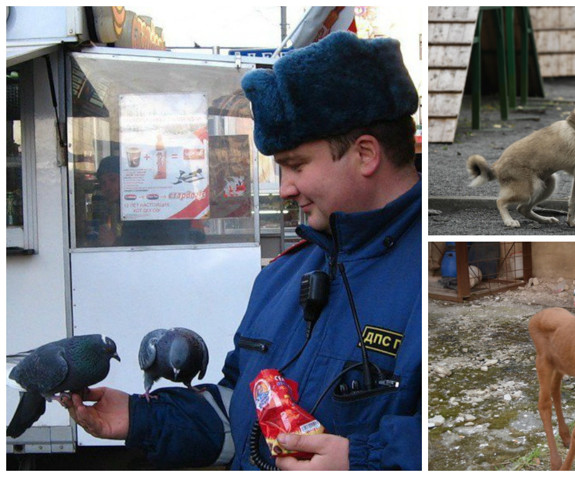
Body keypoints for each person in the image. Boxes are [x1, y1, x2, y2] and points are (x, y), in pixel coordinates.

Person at [61, 31, 422, 470]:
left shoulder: (429, 274)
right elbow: (239, 409)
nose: (286, 188)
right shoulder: (280, 277)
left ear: (366, 154)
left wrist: (363, 462)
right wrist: (143, 417)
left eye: (296, 165)